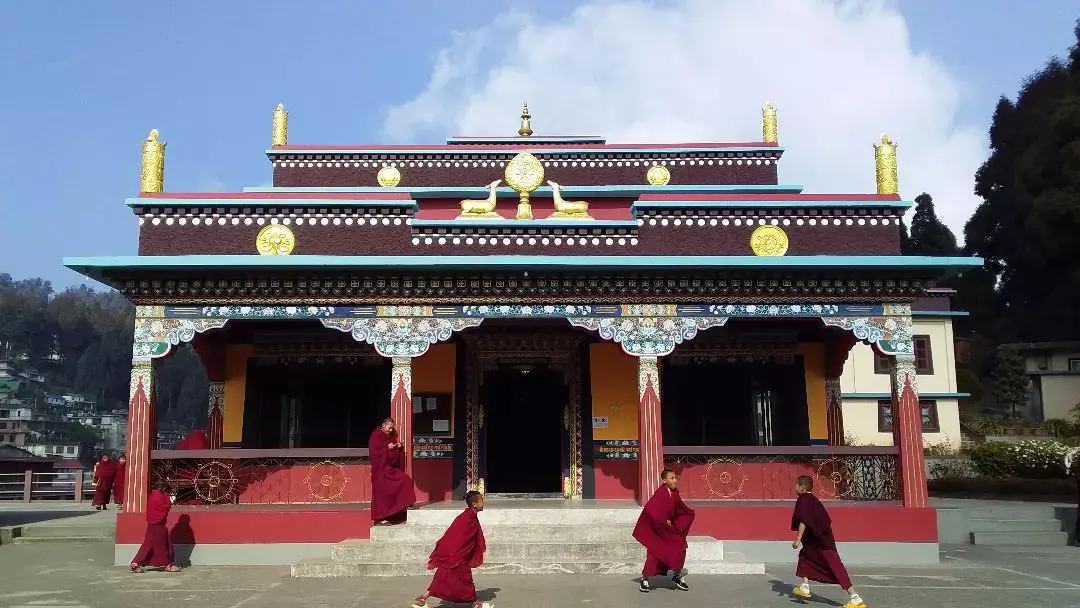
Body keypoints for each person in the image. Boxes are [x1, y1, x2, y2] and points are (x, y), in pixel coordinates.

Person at [791, 475, 865, 608]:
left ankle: (855, 597)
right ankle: (805, 586)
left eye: (796, 485)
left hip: (823, 541)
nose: (794, 487)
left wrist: (798, 539)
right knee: (805, 556)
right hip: (817, 540)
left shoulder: (804, 500)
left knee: (835, 565)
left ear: (802, 487)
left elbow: (805, 520)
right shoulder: (812, 500)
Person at [412, 490, 492, 608]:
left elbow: (467, 537)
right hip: (456, 554)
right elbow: (456, 537)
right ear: (475, 504)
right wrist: (455, 553)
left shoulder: (470, 516)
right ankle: (476, 604)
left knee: (442, 577)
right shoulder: (467, 517)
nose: (483, 503)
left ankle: (423, 598)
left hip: (456, 554)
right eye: (481, 501)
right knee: (465, 579)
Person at [633, 468, 696, 592]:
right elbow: (650, 509)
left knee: (680, 546)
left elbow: (680, 508)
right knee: (654, 553)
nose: (675, 480)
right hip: (656, 528)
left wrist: (689, 514)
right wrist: (663, 520)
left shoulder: (674, 493)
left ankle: (677, 575)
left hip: (667, 528)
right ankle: (644, 579)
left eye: (675, 478)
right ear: (664, 480)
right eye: (672, 478)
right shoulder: (660, 493)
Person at [368, 418, 416, 525]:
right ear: (383, 425)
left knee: (405, 479)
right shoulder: (376, 437)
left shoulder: (390, 437)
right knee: (382, 494)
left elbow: (393, 455)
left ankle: (405, 504)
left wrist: (397, 448)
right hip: (380, 471)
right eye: (389, 428)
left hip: (390, 469)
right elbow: (374, 453)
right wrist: (386, 448)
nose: (390, 430)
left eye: (392, 429)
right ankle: (381, 518)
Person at [130, 481, 182, 573]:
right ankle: (168, 565)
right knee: (164, 546)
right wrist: (168, 497)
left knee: (147, 545)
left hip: (151, 525)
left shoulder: (153, 495)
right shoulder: (162, 496)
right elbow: (165, 507)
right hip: (159, 525)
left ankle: (135, 562)